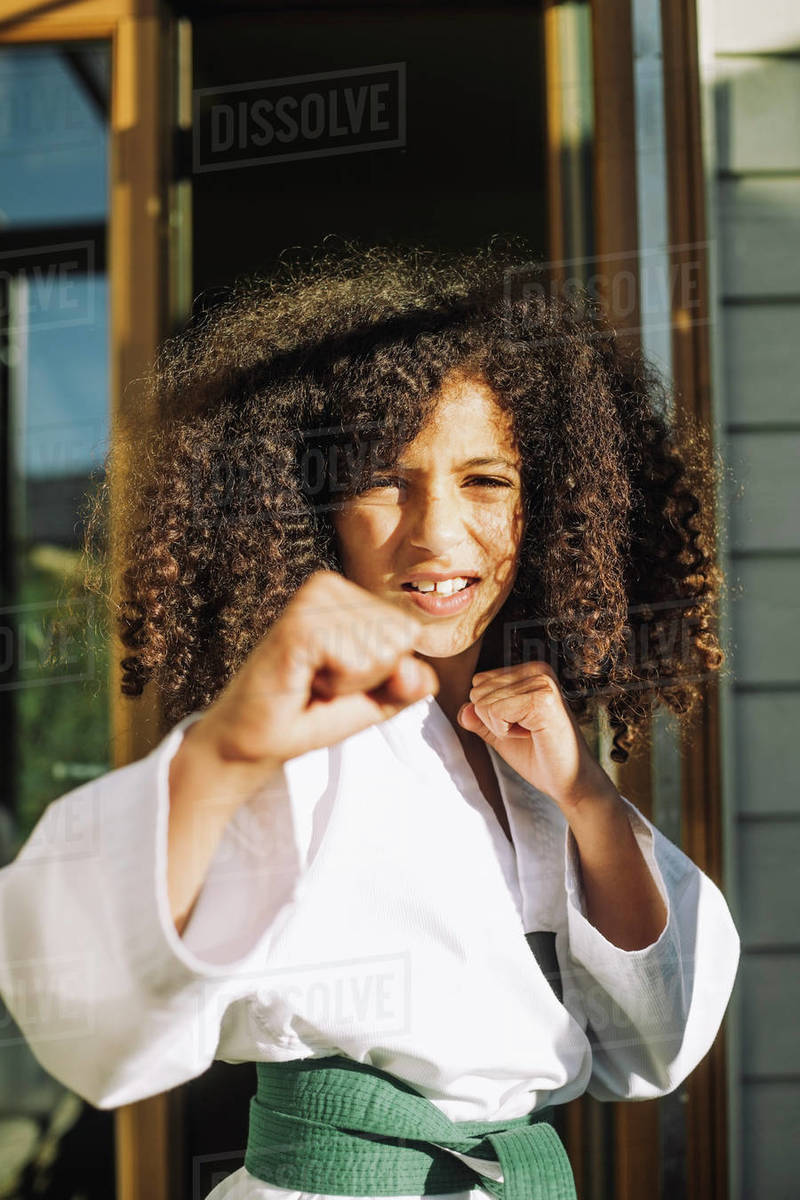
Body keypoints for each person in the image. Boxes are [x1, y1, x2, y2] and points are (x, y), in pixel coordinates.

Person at [0, 238, 740, 1199]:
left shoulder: (540, 755)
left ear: (551, 507)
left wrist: (587, 798)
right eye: (385, 481)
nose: (438, 533)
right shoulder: (293, 742)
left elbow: (653, 1048)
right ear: (310, 509)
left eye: (487, 481)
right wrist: (226, 754)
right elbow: (85, 1012)